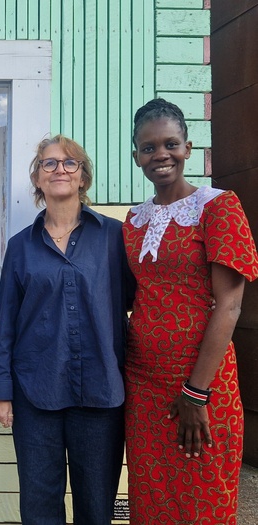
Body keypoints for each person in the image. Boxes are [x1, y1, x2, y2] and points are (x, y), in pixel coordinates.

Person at [0, 134, 135, 524]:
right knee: (39, 504)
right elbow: (6, 324)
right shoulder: (21, 246)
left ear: (83, 177)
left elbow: (143, 303)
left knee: (97, 506)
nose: (60, 170)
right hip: (36, 393)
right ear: (37, 178)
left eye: (70, 163)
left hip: (101, 393)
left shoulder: (116, 237)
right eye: (49, 164)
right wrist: (2, 391)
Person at [123, 99, 258, 524]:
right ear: (135, 156)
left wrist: (195, 391)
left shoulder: (218, 207)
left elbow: (230, 305)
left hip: (202, 383)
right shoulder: (133, 219)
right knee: (151, 501)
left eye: (170, 144)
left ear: (188, 147)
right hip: (142, 384)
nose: (160, 155)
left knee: (205, 501)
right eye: (148, 148)